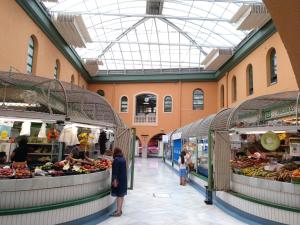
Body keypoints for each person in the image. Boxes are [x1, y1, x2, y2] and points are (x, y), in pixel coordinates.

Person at [111, 147, 127, 217]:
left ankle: (118, 212)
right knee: (122, 195)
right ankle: (119, 210)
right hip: (123, 179)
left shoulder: (116, 160)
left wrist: (114, 180)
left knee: (118, 196)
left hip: (118, 180)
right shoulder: (123, 159)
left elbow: (115, 171)